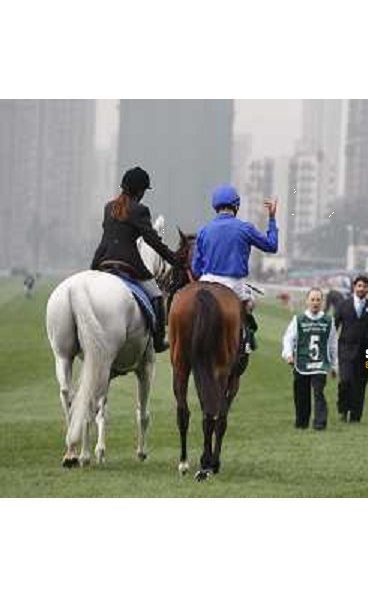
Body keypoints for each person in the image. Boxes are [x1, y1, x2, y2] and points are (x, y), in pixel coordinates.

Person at [91, 166, 182, 353]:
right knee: (156, 296)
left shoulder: (109, 207)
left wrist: (92, 269)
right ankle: (158, 341)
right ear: (140, 191)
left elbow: (104, 241)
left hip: (104, 261)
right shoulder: (140, 210)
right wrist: (174, 259)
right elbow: (152, 240)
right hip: (129, 264)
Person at [191, 184, 278, 352]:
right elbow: (272, 246)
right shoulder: (245, 228)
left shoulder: (203, 230)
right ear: (236, 206)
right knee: (249, 304)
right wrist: (272, 219)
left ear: (215, 206)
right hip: (234, 284)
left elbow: (196, 268)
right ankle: (246, 341)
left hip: (206, 280)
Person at [281, 288, 338, 430]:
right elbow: (288, 338)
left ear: (322, 302)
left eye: (318, 299)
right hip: (301, 362)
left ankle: (320, 423)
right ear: (307, 301)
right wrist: (288, 354)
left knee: (319, 392)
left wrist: (334, 366)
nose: (315, 303)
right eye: (312, 299)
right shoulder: (298, 319)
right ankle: (302, 422)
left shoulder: (328, 321)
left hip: (320, 364)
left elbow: (332, 344)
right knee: (301, 394)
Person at [335, 275, 368, 423]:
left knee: (360, 384)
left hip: (365, 351)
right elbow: (334, 325)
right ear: (354, 287)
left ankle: (355, 415)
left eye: (364, 286)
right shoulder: (343, 305)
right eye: (359, 286)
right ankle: (343, 410)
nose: (361, 289)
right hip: (345, 349)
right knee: (345, 381)